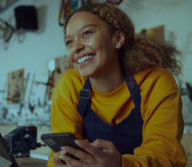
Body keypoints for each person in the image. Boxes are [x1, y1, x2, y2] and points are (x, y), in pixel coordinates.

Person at [47, 2, 187, 167]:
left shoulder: (154, 81)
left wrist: (120, 164)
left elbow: (165, 157)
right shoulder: (69, 85)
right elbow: (62, 151)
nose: (76, 47)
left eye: (87, 33)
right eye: (69, 42)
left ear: (118, 39)